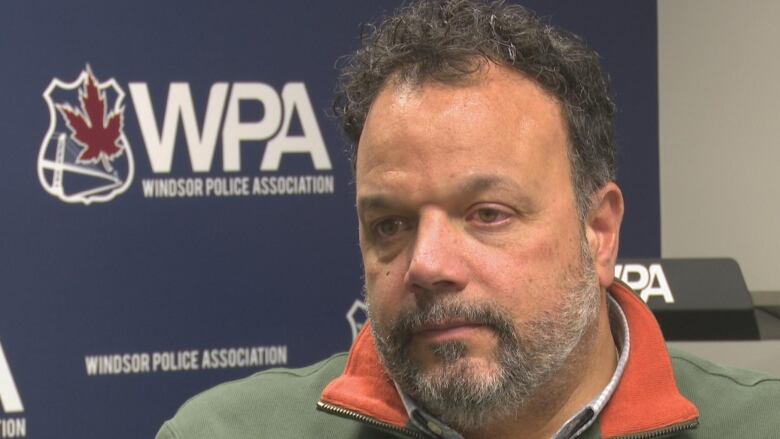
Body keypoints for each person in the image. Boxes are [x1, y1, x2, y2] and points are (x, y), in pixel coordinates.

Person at [156, 1, 779, 438]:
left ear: (599, 231)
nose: (426, 265)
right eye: (391, 225)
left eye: (487, 214)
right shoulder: (221, 433)